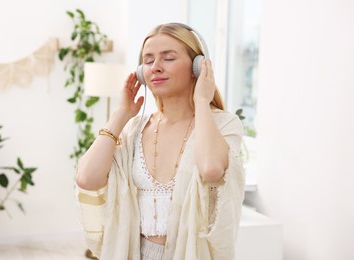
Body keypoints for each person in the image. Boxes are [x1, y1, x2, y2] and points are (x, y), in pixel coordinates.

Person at [75, 22, 245, 260]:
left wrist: (203, 103)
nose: (155, 67)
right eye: (148, 60)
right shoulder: (134, 128)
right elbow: (86, 178)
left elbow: (211, 169)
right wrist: (122, 113)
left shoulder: (223, 125)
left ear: (197, 67)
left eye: (168, 58)